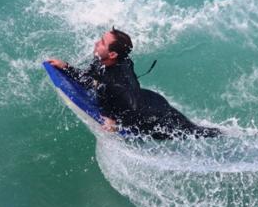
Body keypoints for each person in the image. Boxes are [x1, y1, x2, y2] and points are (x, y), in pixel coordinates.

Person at [47, 27, 220, 140]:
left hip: (153, 118)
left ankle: (230, 134)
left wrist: (115, 121)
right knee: (197, 130)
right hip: (150, 100)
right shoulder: (104, 59)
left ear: (113, 54)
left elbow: (126, 103)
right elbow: (91, 79)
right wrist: (66, 67)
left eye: (102, 43)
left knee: (196, 134)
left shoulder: (117, 82)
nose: (96, 43)